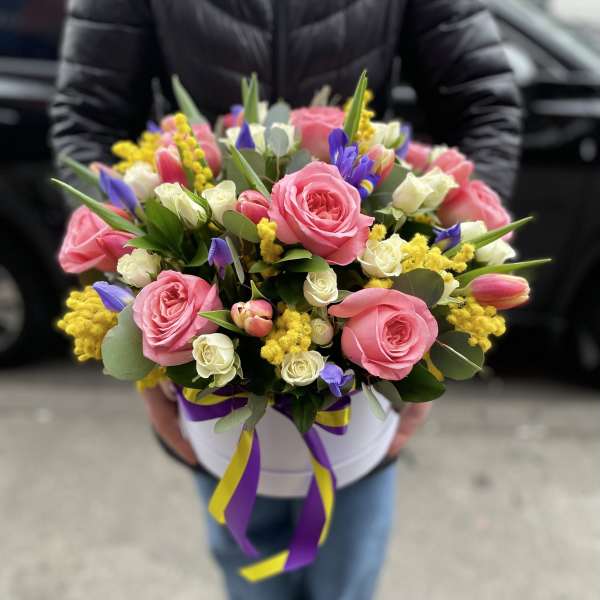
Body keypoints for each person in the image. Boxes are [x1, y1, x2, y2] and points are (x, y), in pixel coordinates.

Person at [50, 2, 522, 599]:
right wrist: (139, 327)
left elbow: (482, 103)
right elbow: (89, 117)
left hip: (365, 373)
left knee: (348, 571)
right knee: (248, 569)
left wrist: (445, 300)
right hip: (204, 363)